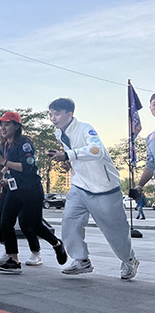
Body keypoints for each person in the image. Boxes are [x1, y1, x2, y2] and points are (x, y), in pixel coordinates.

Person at [48, 98, 139, 280]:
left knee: (115, 230)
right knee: (70, 221)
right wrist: (68, 162)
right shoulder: (59, 134)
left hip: (103, 186)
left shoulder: (85, 128)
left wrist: (68, 155)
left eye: (57, 113)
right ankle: (81, 260)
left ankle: (129, 260)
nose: (53, 118)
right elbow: (76, 157)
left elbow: (97, 151)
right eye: (50, 114)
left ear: (69, 114)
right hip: (79, 184)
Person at [0, 111, 67, 274]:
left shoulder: (25, 143)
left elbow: (26, 167)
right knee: (5, 222)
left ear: (17, 126)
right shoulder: (6, 145)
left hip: (31, 189)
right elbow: (10, 167)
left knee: (33, 224)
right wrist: (2, 174)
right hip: (14, 189)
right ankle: (13, 260)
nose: (3, 128)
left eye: (7, 124)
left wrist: (4, 162)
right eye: (1, 125)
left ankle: (57, 244)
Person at [135, 93, 155, 218]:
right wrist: (139, 185)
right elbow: (150, 166)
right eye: (154, 104)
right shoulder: (150, 138)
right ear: (150, 108)